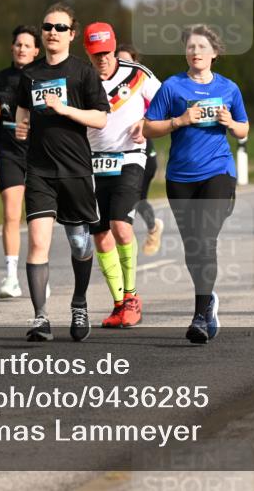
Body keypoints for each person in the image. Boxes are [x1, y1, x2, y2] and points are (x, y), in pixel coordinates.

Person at [144, 25, 249, 345]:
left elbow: (244, 130)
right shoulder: (172, 87)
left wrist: (230, 123)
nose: (196, 52)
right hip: (180, 178)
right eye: (191, 47)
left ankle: (200, 315)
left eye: (202, 47)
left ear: (214, 53)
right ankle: (209, 300)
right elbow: (149, 128)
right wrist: (180, 121)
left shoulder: (229, 88)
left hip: (218, 171)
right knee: (193, 248)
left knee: (205, 239)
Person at [15, 3, 110, 342]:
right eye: (47, 27)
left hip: (75, 169)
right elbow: (23, 109)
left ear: (71, 34)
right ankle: (41, 318)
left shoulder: (83, 73)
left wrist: (65, 109)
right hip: (40, 169)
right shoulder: (30, 74)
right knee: (38, 242)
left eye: (59, 27)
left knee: (79, 241)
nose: (52, 32)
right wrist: (22, 126)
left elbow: (100, 117)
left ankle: (80, 302)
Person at [85, 25, 161, 329]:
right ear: (88, 53)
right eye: (95, 54)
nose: (102, 59)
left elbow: (166, 99)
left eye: (106, 53)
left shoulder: (136, 72)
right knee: (100, 234)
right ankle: (119, 304)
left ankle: (131, 297)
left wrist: (146, 121)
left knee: (120, 223)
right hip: (92, 162)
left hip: (130, 157)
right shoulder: (82, 76)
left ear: (114, 49)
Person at [0, 25, 41, 298]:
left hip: (39, 154)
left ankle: (39, 272)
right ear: (12, 48)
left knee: (37, 218)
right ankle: (10, 277)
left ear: (36, 51)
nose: (22, 49)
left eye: (27, 45)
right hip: (9, 153)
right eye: (18, 44)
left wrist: (30, 126)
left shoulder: (43, 78)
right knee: (11, 213)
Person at [115, 44, 165, 255]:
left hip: (143, 150)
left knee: (135, 198)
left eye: (128, 61)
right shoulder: (110, 87)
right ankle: (119, 246)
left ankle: (152, 228)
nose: (124, 66)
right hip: (115, 151)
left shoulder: (143, 85)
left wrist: (144, 122)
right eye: (120, 61)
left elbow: (163, 106)